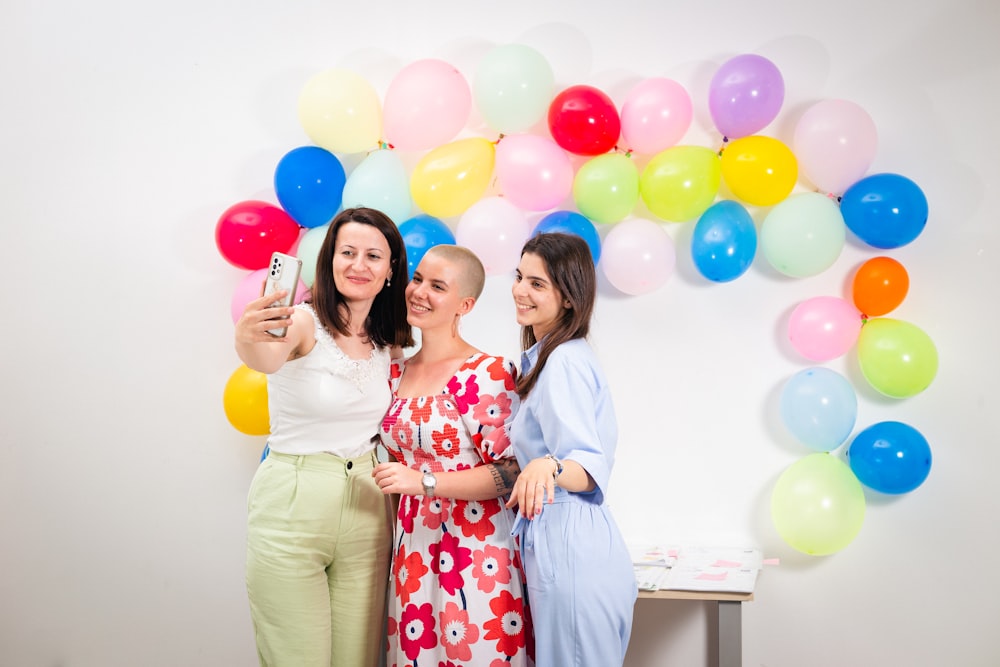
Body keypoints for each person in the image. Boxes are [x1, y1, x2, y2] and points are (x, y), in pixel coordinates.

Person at [235, 207, 413, 667]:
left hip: (367, 507)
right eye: (347, 252)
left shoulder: (388, 340)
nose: (359, 264)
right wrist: (247, 337)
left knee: (356, 659)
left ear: (391, 270)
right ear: (330, 260)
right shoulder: (301, 322)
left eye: (374, 255)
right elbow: (266, 357)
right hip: (293, 503)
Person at [372, 244, 532, 666]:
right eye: (418, 279)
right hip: (412, 555)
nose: (419, 292)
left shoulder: (488, 373)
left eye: (437, 286)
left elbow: (511, 473)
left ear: (465, 305)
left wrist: (422, 481)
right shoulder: (394, 371)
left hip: (477, 555)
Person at [505, 232, 637, 667]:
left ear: (568, 298)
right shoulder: (549, 358)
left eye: (537, 284)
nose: (521, 291)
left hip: (570, 543)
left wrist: (548, 464)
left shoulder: (563, 361)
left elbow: (586, 467)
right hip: (565, 540)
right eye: (520, 276)